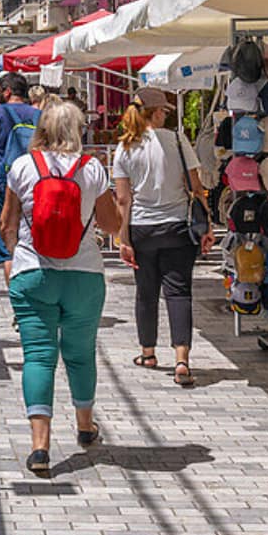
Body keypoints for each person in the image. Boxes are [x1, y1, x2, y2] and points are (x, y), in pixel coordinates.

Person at [1, 101, 121, 477]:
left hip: (32, 273)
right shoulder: (92, 169)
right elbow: (111, 224)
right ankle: (85, 427)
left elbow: (8, 224)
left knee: (38, 356)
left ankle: (40, 447)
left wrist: (15, 265)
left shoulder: (23, 166)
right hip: (84, 274)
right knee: (80, 355)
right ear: (79, 130)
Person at [113, 88, 215, 386]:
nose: (166, 115)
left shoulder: (125, 148)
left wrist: (124, 239)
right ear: (156, 112)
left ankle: (148, 352)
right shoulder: (178, 141)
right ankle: (182, 360)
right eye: (164, 111)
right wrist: (206, 224)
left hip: (142, 228)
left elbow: (122, 200)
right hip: (177, 226)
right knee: (179, 292)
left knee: (146, 292)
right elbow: (196, 187)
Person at [0, 73, 40, 281]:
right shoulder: (38, 114)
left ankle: (16, 298)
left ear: (6, 92)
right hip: (35, 180)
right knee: (33, 234)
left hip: (2, 180)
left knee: (7, 238)